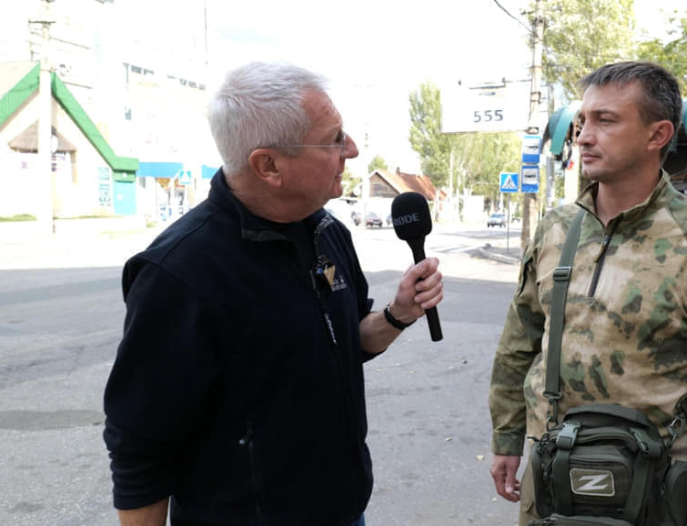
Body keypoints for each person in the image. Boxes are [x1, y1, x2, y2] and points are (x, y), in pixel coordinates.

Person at [103, 61, 444, 526]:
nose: (353, 149)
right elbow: (141, 445)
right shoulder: (180, 272)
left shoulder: (328, 233)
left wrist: (398, 314)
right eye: (333, 139)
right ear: (269, 165)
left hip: (344, 513)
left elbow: (346, 340)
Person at [488, 61, 687, 526]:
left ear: (657, 134)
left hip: (653, 492)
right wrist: (506, 437)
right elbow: (520, 340)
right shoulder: (555, 230)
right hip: (553, 482)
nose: (582, 136)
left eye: (606, 120)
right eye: (583, 121)